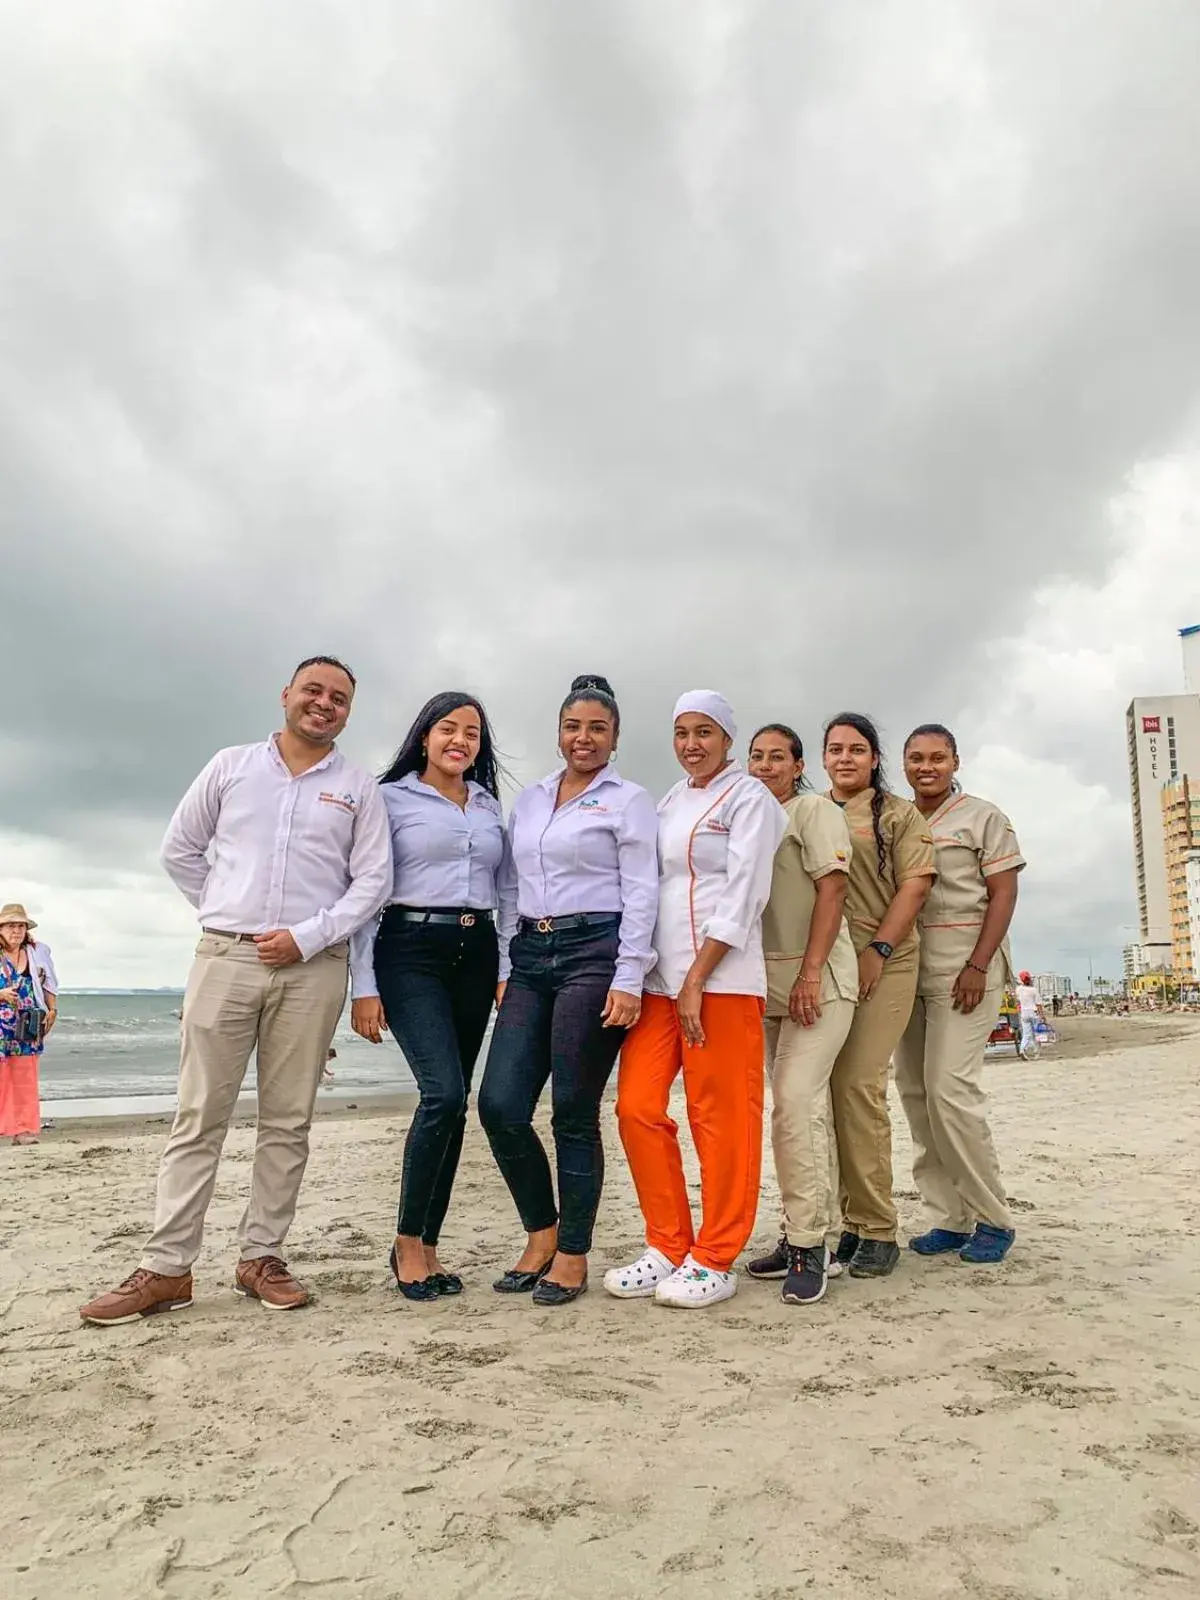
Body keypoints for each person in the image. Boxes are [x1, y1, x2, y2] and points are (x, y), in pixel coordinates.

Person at [80, 656, 392, 1325]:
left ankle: (261, 1258)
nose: (324, 703)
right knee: (198, 1117)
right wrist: (235, 921)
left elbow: (372, 884)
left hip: (313, 970)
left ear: (347, 711)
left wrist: (305, 938)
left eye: (339, 698)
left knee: (288, 1120)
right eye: (313, 690)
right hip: (225, 958)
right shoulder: (230, 766)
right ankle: (167, 1268)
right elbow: (179, 851)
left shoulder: (357, 787)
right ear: (286, 695)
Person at [478, 675, 658, 1307]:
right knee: (499, 1105)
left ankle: (573, 1254)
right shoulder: (528, 800)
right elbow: (507, 886)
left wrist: (629, 976)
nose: (584, 738)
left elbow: (642, 890)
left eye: (597, 728)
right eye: (573, 727)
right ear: (558, 732)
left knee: (572, 1112)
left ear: (614, 738)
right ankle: (542, 1232)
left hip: (595, 953)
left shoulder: (629, 800)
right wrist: (505, 965)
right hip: (530, 953)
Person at [605, 690, 785, 1309]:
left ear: (728, 739)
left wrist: (699, 977)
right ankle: (668, 1243)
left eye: (704, 732)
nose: (691, 744)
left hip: (723, 980)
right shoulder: (669, 800)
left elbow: (745, 893)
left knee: (722, 1117)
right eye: (681, 732)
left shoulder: (751, 799)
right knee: (636, 1106)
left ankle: (716, 1255)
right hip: (661, 981)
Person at [350, 692, 515, 1301]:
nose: (461, 741)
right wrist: (363, 986)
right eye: (449, 728)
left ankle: (430, 1246)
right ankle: (406, 1243)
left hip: (476, 955)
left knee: (456, 1103)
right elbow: (368, 894)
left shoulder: (491, 806)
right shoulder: (388, 798)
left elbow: (508, 894)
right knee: (441, 1093)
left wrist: (505, 968)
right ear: (424, 736)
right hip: (409, 949)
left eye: (472, 733)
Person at [894, 723, 1024, 1265]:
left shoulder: (982, 817)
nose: (927, 767)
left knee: (951, 1090)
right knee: (917, 1096)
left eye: (938, 758)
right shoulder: (898, 818)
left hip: (964, 967)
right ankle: (949, 1216)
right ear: (903, 764)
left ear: (955, 761)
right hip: (909, 972)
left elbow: (1004, 891)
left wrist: (978, 963)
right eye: (917, 758)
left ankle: (993, 1217)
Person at [742, 728, 858, 1307]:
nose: (765, 766)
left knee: (793, 1103)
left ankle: (809, 1245)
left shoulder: (811, 810)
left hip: (822, 983)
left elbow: (833, 892)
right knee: (799, 1111)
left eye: (776, 757)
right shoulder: (747, 818)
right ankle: (816, 1235)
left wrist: (812, 972)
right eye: (756, 757)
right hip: (764, 986)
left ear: (798, 765)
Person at [821, 714, 935, 1279]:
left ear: (873, 758)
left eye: (857, 749)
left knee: (859, 1085)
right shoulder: (813, 810)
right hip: (826, 966)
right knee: (826, 1093)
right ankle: (849, 1223)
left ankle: (879, 1227)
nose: (845, 758)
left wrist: (879, 951)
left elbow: (915, 885)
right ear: (821, 759)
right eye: (836, 749)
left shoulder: (896, 814)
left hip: (885, 961)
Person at [0, 905, 58, 1145]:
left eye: (20, 926)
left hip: (28, 1021)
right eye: (11, 926)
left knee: (25, 1076)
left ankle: (23, 1130)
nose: (16, 931)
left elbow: (49, 982)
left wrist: (52, 1009)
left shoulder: (36, 952)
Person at [1014, 970, 1044, 1059]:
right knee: (1037, 1033)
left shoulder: (1018, 989)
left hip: (1024, 1013)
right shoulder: (1033, 990)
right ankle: (1037, 1053)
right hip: (1033, 1012)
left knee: (1026, 1034)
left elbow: (1017, 1001)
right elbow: (1038, 1004)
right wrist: (1042, 1016)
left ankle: (1022, 1050)